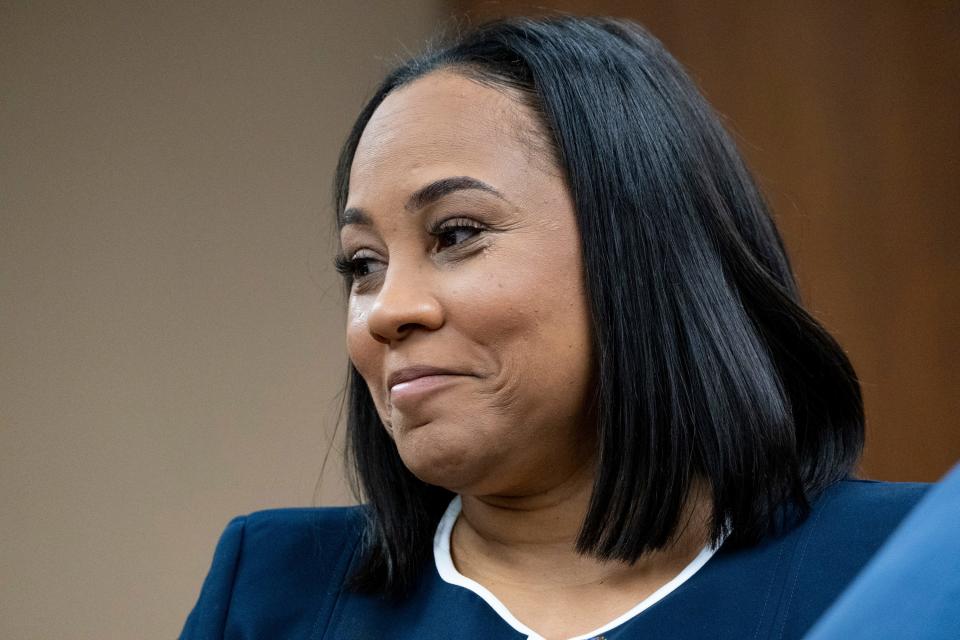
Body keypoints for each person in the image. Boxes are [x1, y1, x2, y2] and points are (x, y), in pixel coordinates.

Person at [179, 16, 928, 640]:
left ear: (642, 248)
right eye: (362, 264)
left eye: (456, 232)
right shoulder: (276, 590)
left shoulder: (909, 566)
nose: (386, 311)